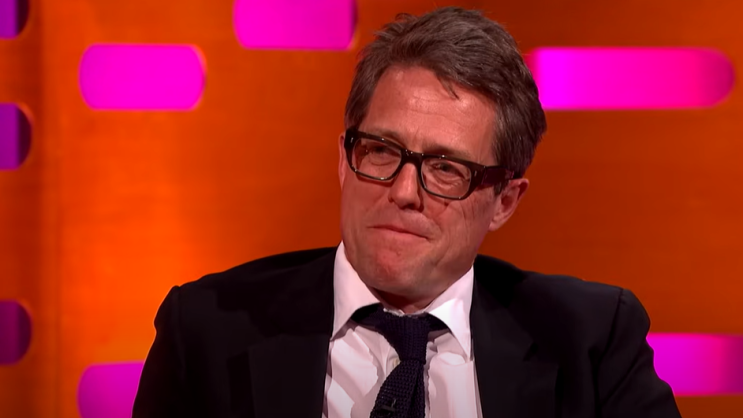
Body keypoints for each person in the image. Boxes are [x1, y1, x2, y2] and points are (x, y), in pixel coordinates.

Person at [133, 6, 681, 418]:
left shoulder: (592, 342)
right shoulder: (205, 331)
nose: (402, 191)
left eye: (445, 168)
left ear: (504, 202)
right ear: (344, 161)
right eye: (381, 151)